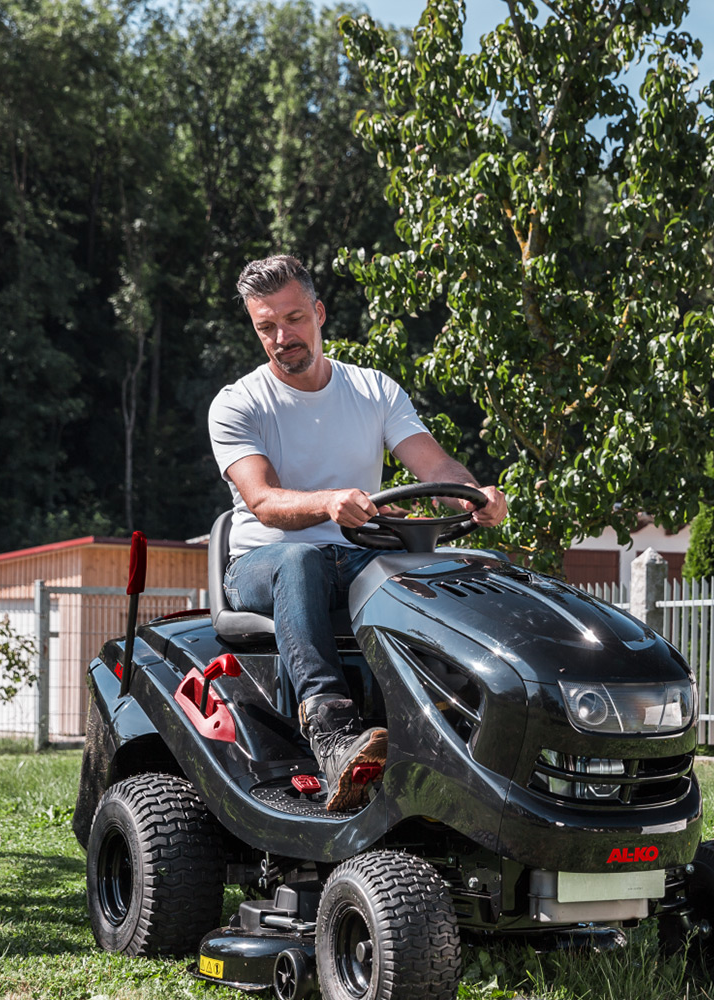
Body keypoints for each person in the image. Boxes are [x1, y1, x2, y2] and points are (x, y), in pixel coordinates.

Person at [208, 254, 507, 812]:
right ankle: (330, 731)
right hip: (263, 565)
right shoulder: (237, 403)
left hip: (357, 558)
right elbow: (264, 502)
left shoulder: (373, 390)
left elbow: (436, 468)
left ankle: (468, 722)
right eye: (266, 327)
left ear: (319, 313)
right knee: (300, 560)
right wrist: (328, 502)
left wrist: (476, 494)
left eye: (293, 319)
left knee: (460, 572)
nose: (282, 337)